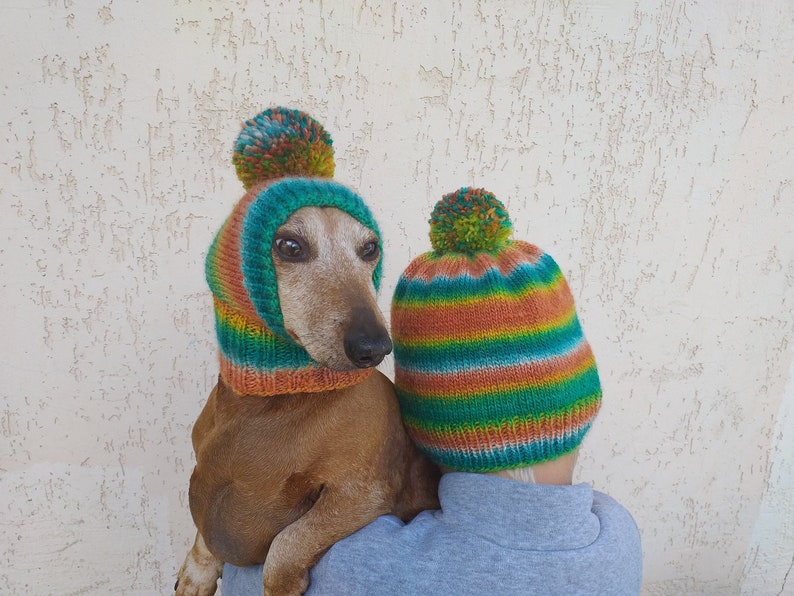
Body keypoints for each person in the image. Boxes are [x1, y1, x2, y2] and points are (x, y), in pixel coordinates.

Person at [221, 188, 643, 595]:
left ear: (419, 428)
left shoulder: (365, 564)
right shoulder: (620, 534)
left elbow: (239, 558)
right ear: (584, 402)